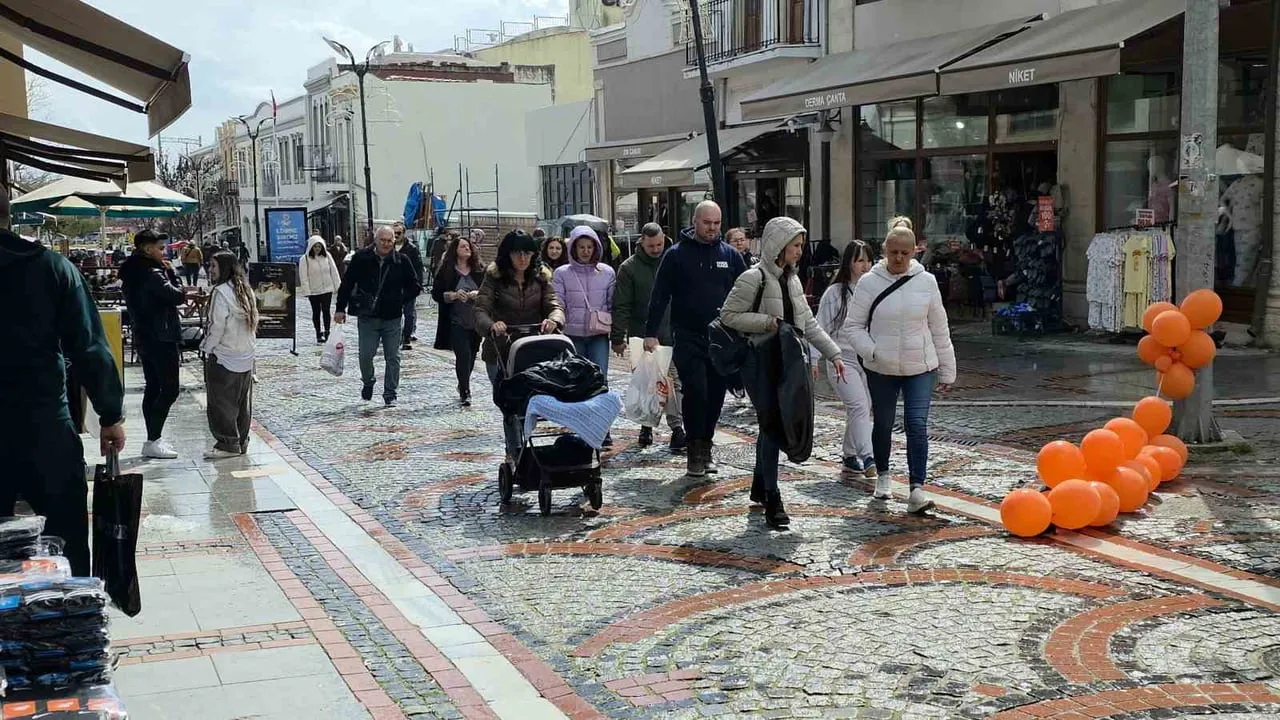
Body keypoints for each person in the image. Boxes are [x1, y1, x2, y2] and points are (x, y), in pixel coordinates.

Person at [0, 190, 125, 576]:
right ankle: (71, 621)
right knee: (65, 539)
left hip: (38, 418)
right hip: (44, 424)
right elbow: (89, 347)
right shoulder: (52, 268)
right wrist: (110, 414)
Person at [721, 217, 844, 529]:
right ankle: (773, 498)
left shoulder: (793, 280)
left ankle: (760, 486)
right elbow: (729, 315)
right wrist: (767, 322)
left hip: (788, 361)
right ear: (779, 245)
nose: (801, 251)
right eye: (796, 245)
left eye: (801, 245)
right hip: (759, 361)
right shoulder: (753, 278)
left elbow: (808, 322)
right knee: (771, 424)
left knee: (774, 424)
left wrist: (834, 354)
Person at [849, 217, 956, 514]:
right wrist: (872, 352)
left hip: (920, 366)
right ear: (884, 249)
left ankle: (916, 490)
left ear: (915, 252)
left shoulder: (927, 281)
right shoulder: (869, 283)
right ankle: (882, 476)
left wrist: (948, 369)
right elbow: (853, 326)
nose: (898, 258)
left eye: (905, 253)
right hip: (881, 368)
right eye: (893, 252)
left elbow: (939, 327)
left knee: (917, 426)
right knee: (883, 424)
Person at [645, 200, 746, 477]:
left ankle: (707, 445)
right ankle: (694, 447)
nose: (712, 228)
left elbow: (747, 292)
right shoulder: (676, 255)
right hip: (688, 335)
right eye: (706, 223)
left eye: (716, 223)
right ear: (695, 221)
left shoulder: (731, 255)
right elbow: (660, 295)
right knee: (696, 390)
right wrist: (650, 332)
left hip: (722, 338)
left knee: (715, 395)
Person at [474, 230, 564, 463]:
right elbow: (480, 310)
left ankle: (529, 449)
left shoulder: (541, 278)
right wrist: (493, 325)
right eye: (517, 253)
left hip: (533, 348)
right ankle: (513, 450)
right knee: (508, 402)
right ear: (508, 254)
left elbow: (554, 305)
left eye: (527, 252)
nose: (522, 258)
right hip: (501, 349)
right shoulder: (494, 277)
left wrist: (553, 319)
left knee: (532, 399)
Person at [815, 240, 883, 494]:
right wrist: (815, 358)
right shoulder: (836, 293)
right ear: (849, 263)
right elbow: (820, 326)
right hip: (841, 358)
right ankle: (868, 457)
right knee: (859, 405)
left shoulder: (875, 290)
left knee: (863, 407)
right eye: (859, 260)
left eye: (868, 260)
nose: (865, 266)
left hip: (868, 359)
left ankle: (849, 454)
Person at [612, 222, 685, 452]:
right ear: (641, 241)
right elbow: (621, 304)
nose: (656, 249)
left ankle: (677, 428)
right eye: (651, 245)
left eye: (659, 244)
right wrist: (617, 336)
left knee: (673, 382)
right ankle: (646, 425)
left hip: (672, 333)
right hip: (641, 335)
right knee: (646, 383)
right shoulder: (629, 268)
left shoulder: (675, 260)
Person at [334, 225, 422, 407]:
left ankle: (390, 393)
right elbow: (347, 284)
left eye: (390, 240)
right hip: (368, 316)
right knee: (366, 355)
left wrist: (399, 299)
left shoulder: (401, 261)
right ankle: (368, 380)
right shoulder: (361, 258)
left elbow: (415, 286)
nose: (386, 244)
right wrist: (340, 308)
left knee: (393, 356)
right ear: (376, 240)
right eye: (382, 240)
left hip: (393, 317)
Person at [120, 229, 187, 459]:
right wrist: (172, 274)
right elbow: (177, 296)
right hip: (161, 336)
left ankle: (153, 438)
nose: (164, 252)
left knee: (153, 386)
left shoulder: (132, 271)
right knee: (169, 389)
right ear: (147, 249)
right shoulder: (152, 273)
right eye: (160, 248)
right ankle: (153, 438)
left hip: (145, 336)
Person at [553, 226, 617, 446]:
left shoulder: (607, 272)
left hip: (599, 334)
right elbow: (558, 302)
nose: (586, 251)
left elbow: (611, 303)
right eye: (581, 247)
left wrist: (616, 331)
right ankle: (581, 425)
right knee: (577, 381)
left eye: (590, 247)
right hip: (573, 335)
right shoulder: (562, 273)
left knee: (600, 380)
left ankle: (603, 427)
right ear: (573, 248)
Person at [201, 252, 258, 459]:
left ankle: (227, 443)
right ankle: (241, 441)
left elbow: (217, 326)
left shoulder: (220, 292)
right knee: (242, 403)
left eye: (214, 266)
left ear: (223, 268)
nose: (210, 270)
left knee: (221, 403)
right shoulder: (246, 290)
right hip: (245, 354)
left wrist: (207, 348)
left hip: (224, 355)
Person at [432, 233, 484, 406]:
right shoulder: (447, 271)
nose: (467, 248)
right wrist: (453, 295)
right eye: (463, 246)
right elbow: (437, 294)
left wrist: (478, 295)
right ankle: (465, 391)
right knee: (463, 355)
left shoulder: (479, 270)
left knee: (472, 355)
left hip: (476, 321)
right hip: (455, 320)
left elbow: (489, 292)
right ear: (455, 250)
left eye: (469, 246)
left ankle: (463, 383)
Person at [299, 235, 342, 344]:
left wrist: (338, 286)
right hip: (314, 290)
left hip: (327, 289)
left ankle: (327, 331)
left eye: (319, 246)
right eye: (315, 247)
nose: (317, 249)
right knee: (316, 312)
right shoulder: (305, 259)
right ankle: (318, 333)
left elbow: (334, 271)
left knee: (326, 311)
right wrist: (307, 291)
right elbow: (303, 276)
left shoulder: (327, 256)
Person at [394, 222, 426, 350]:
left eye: (399, 233)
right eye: (394, 233)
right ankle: (394, 335)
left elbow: (418, 268)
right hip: (392, 287)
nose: (396, 236)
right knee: (394, 313)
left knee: (409, 313)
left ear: (404, 233)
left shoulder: (411, 249)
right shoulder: (387, 247)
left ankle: (406, 336)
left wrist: (418, 285)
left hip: (408, 286)